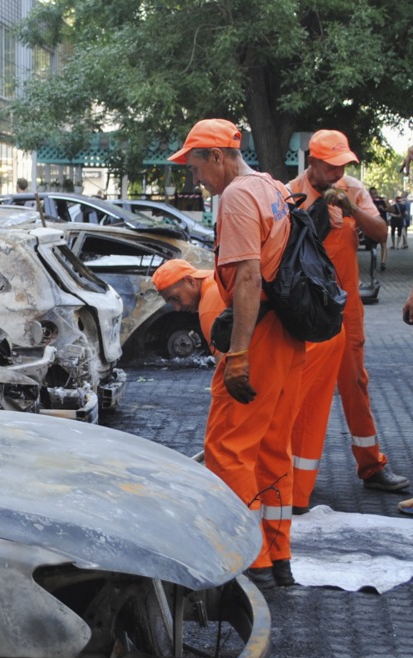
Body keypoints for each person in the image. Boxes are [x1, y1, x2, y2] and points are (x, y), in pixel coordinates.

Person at [169, 119, 305, 591]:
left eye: (197, 168)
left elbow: (248, 278)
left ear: (218, 157)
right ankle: (278, 555)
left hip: (259, 334)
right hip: (286, 336)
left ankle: (253, 561)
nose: (196, 180)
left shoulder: (238, 198)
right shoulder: (270, 186)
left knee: (227, 449)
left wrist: (240, 354)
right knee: (271, 449)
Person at [153, 259, 345, 518]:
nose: (178, 307)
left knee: (238, 444)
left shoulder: (210, 304)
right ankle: (291, 502)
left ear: (190, 281)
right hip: (317, 340)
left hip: (302, 347)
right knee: (285, 430)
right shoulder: (218, 285)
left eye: (176, 298)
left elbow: (228, 370)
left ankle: (244, 521)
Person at [288, 130, 409, 492]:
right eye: (332, 166)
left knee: (355, 383)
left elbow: (382, 233)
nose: (339, 173)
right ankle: (291, 471)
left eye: (344, 165)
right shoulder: (290, 192)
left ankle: (371, 467)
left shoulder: (353, 190)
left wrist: (351, 209)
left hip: (346, 307)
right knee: (301, 389)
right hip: (308, 307)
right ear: (313, 162)